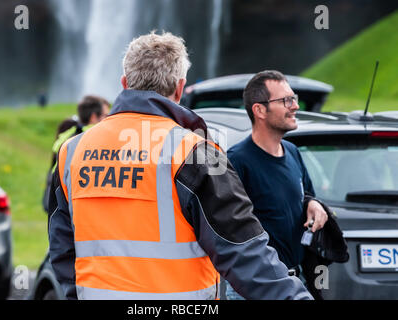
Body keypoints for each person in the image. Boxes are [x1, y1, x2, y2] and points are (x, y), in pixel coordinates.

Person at [48, 32, 312, 300]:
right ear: (180, 87)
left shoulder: (73, 151)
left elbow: (61, 248)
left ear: (125, 83)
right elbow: (244, 250)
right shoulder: (195, 151)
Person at [226, 70, 328, 299]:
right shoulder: (236, 161)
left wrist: (314, 204)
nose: (295, 106)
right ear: (259, 110)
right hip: (255, 287)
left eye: (295, 98)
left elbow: (306, 194)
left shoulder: (292, 152)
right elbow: (230, 230)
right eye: (286, 100)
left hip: (296, 281)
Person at [42, 95, 110, 213]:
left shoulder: (67, 136)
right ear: (94, 117)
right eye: (106, 116)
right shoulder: (95, 141)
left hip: (59, 200)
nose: (109, 120)